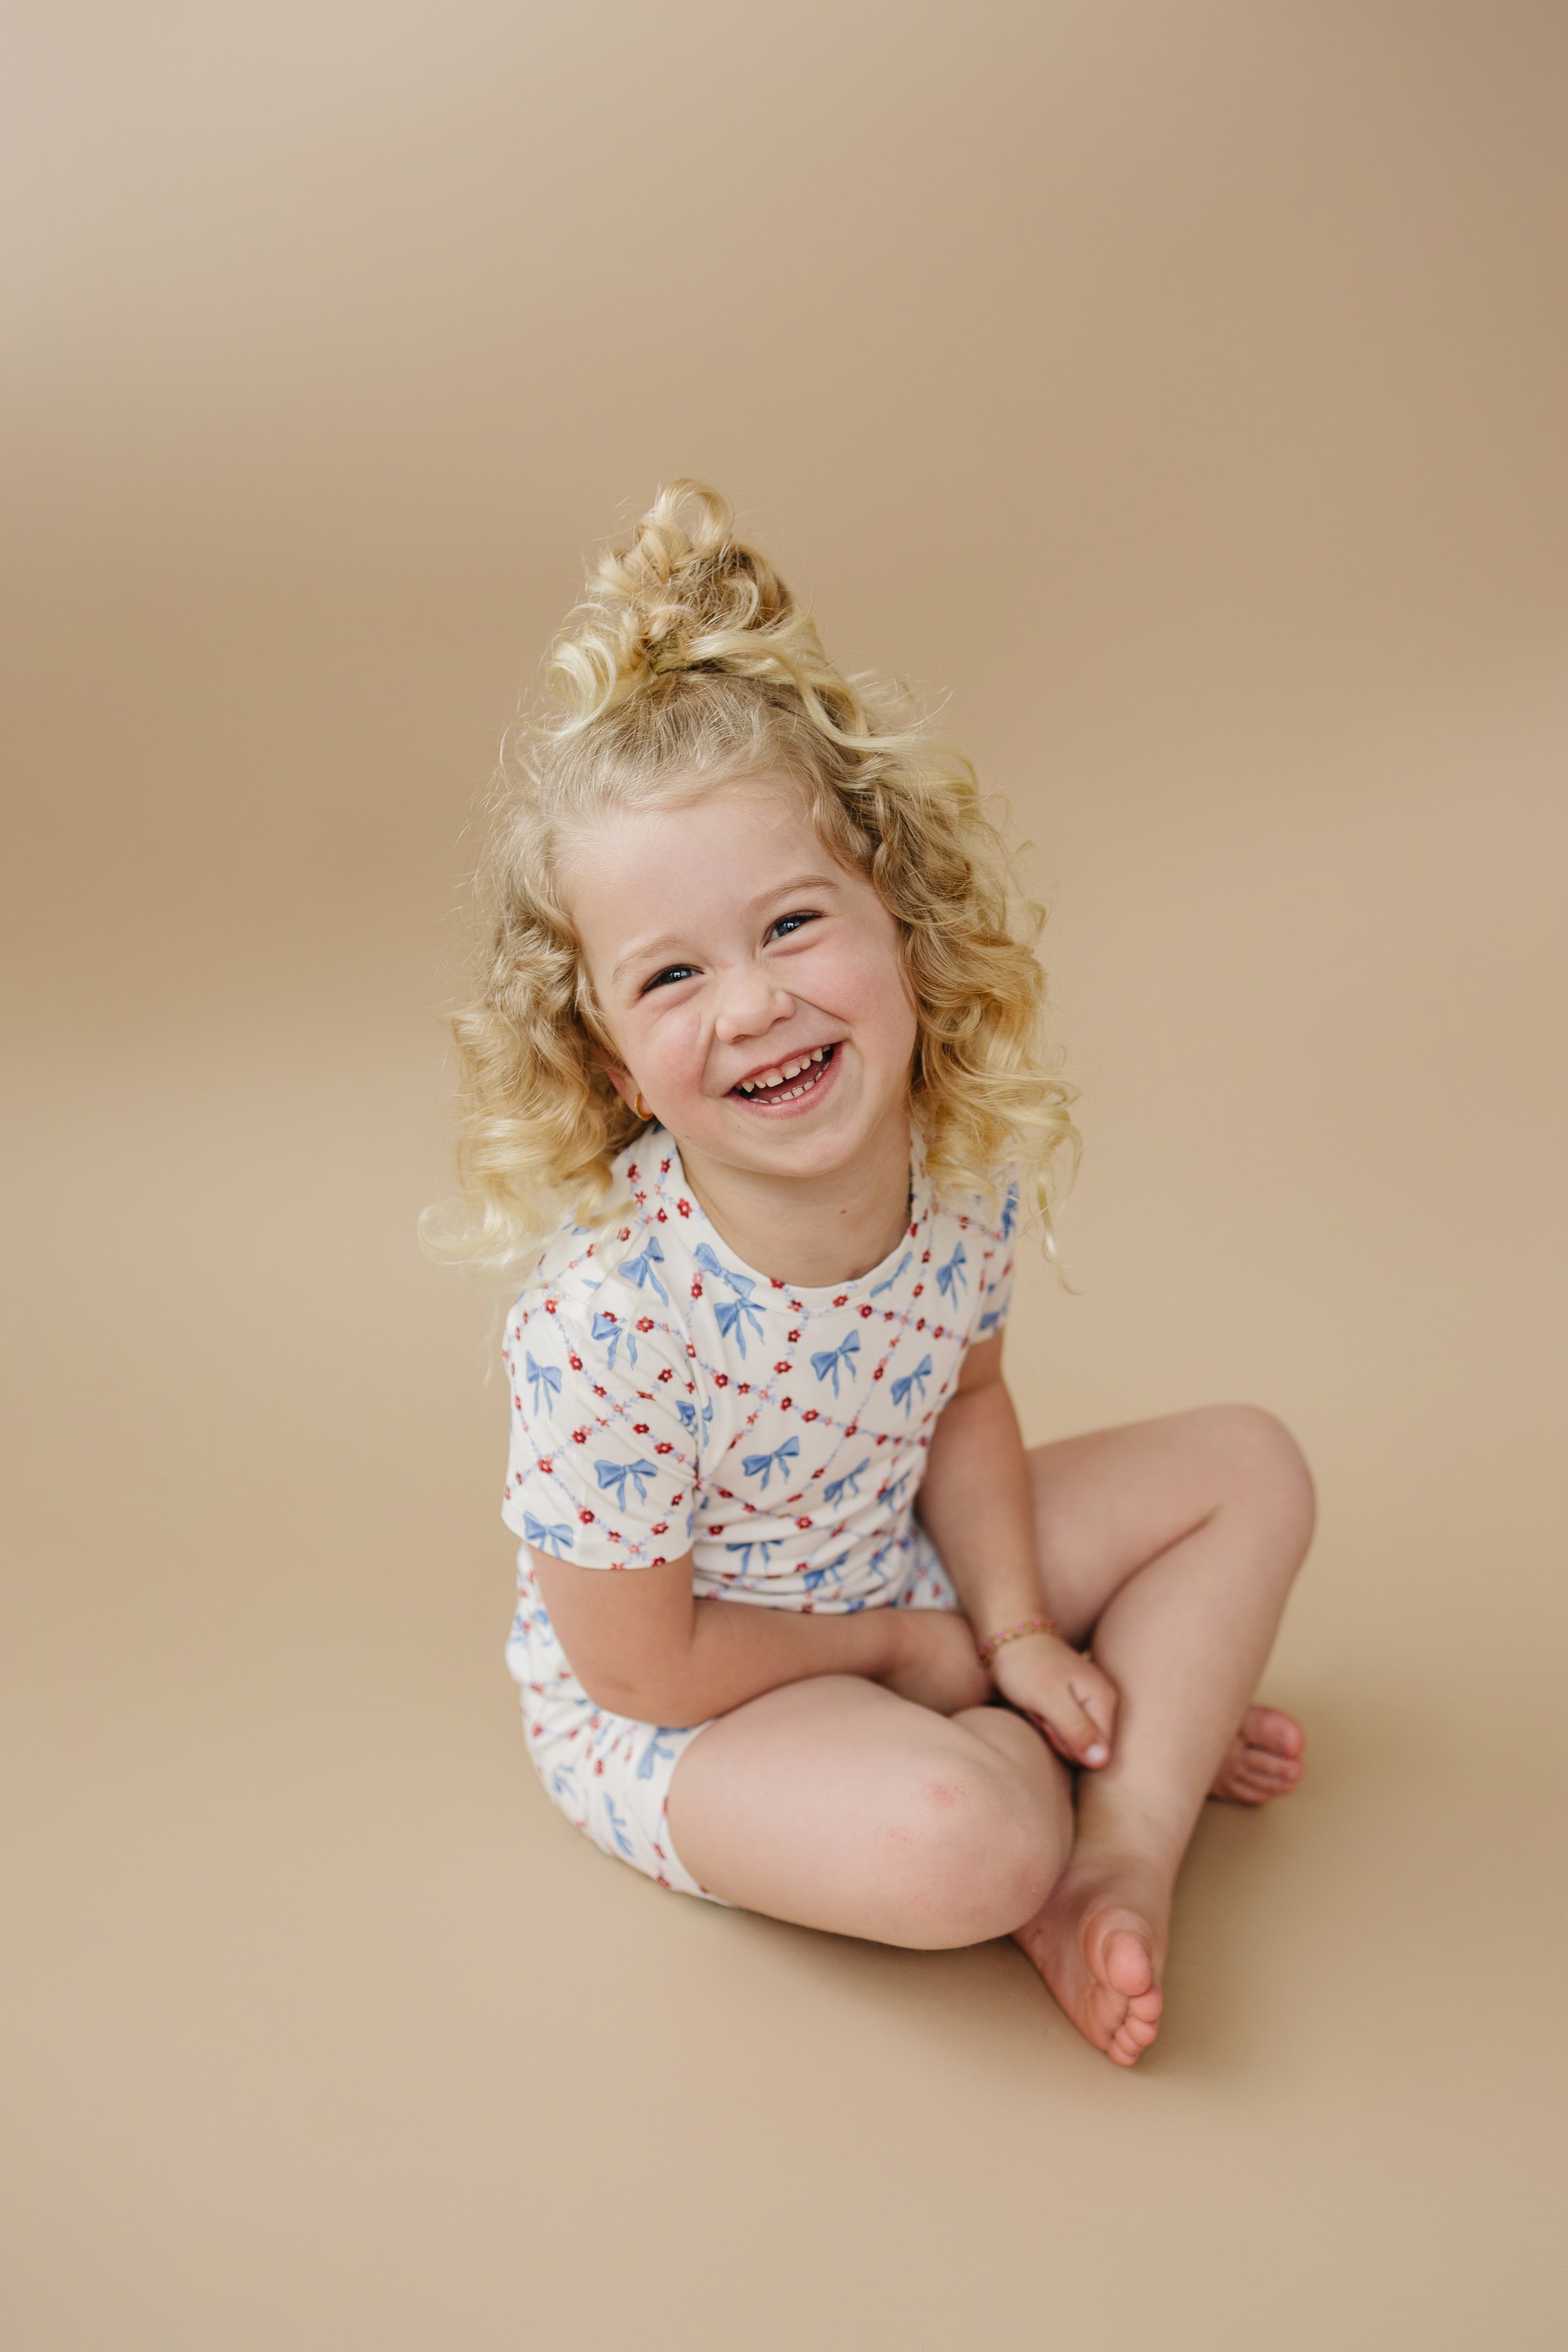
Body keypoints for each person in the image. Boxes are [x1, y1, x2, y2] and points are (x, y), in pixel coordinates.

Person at [425, 482, 1313, 2066]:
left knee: (1250, 1468)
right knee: (962, 1842)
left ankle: (1122, 1851)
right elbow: (641, 1661)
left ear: (897, 921)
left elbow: (964, 1405)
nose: (752, 1005)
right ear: (616, 1063)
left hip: (893, 1560)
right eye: (673, 976)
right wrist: (911, 1656)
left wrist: (1015, 1629)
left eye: (790, 926)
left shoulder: (954, 1171)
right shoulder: (611, 1320)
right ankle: (1077, 1776)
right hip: (695, 1700)